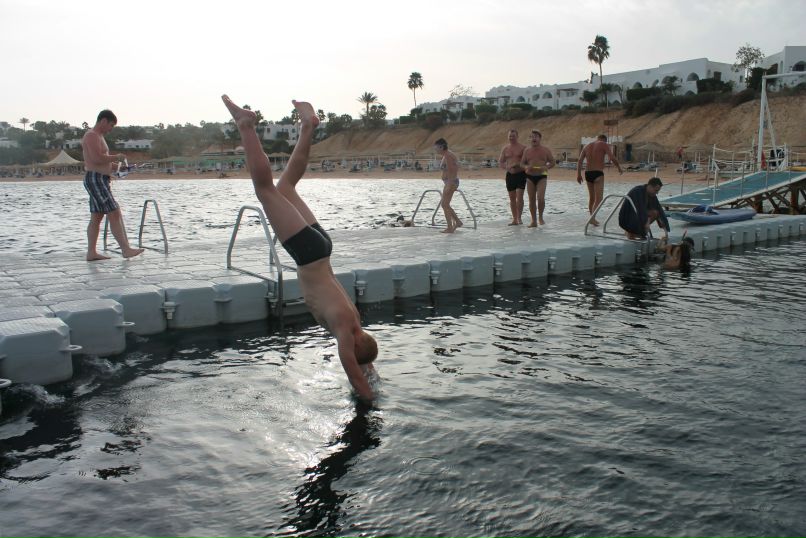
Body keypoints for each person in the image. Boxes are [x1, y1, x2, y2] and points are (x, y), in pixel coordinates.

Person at [222, 95, 377, 402]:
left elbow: (362, 362)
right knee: (266, 190)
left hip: (323, 250)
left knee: (285, 188)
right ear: (354, 344)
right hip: (308, 254)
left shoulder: (355, 322)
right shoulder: (345, 331)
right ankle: (246, 127)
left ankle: (308, 126)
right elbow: (354, 373)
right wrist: (371, 401)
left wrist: (371, 372)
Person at [81, 109, 144, 261]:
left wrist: (119, 167)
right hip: (95, 179)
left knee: (97, 216)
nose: (111, 129)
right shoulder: (91, 136)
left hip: (100, 178)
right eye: (111, 125)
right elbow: (96, 158)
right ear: (103, 121)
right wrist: (117, 157)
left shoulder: (99, 136)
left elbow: (102, 160)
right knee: (114, 211)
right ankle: (126, 249)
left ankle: (91, 252)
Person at [576, 134, 623, 225]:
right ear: (604, 140)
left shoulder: (587, 145)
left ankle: (592, 218)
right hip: (598, 173)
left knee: (592, 198)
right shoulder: (603, 144)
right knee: (599, 199)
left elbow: (580, 161)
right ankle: (592, 218)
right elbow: (612, 157)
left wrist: (578, 175)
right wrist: (619, 167)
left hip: (587, 173)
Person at [520, 129, 555, 227]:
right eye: (532, 136)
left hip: (542, 176)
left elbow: (553, 162)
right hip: (530, 177)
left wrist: (547, 166)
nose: (533, 138)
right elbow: (522, 163)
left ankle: (540, 217)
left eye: (536, 136)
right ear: (530, 139)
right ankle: (533, 220)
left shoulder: (545, 150)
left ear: (540, 138)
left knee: (540, 198)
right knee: (531, 200)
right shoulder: (527, 150)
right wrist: (526, 167)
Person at [434, 138, 463, 233]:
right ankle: (457, 222)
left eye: (436, 148)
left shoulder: (448, 155)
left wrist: (449, 185)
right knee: (445, 204)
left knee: (445, 204)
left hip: (451, 182)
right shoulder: (447, 154)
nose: (435, 150)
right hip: (450, 182)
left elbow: (452, 171)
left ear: (442, 147)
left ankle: (450, 227)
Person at [498, 129, 527, 225]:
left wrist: (518, 164)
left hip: (521, 174)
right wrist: (507, 167)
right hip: (510, 175)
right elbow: (501, 162)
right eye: (510, 136)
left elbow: (527, 161)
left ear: (517, 137)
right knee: (512, 198)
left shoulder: (523, 148)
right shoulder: (505, 149)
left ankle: (519, 217)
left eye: (513, 136)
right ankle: (514, 219)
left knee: (520, 196)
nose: (511, 138)